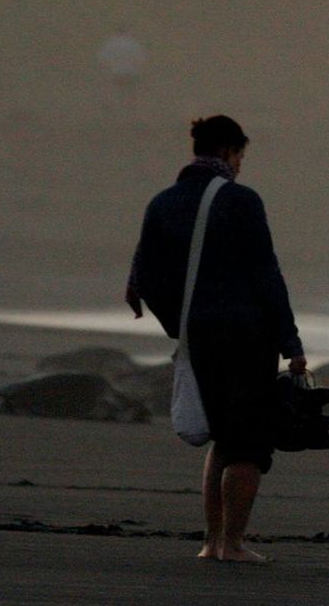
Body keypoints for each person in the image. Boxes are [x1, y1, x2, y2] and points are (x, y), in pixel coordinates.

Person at [126, 115, 306, 562]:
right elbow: (267, 275)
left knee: (222, 437)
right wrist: (291, 343)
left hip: (198, 334)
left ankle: (213, 540)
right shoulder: (241, 201)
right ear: (228, 152)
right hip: (247, 335)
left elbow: (141, 278)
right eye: (240, 155)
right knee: (247, 441)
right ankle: (234, 543)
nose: (241, 165)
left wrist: (180, 323)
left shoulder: (163, 202)